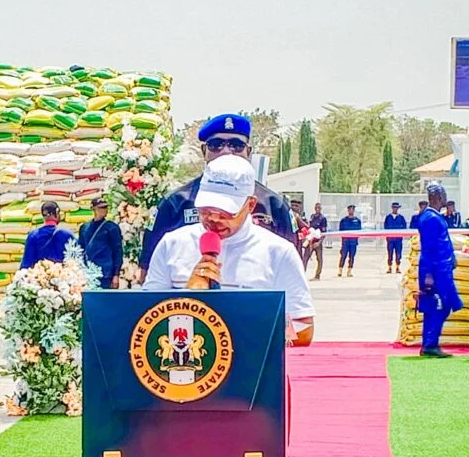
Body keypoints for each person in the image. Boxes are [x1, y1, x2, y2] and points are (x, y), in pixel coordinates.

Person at [143, 155, 316, 346]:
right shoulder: (172, 244)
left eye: (226, 212)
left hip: (252, 371)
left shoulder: (279, 252)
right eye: (206, 210)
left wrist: (238, 328)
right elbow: (144, 318)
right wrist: (187, 300)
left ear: (250, 205)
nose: (214, 219)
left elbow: (304, 329)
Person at [140, 114, 297, 273]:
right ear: (204, 150)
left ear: (248, 152)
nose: (226, 151)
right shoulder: (175, 203)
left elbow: (291, 270)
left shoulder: (273, 205)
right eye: (216, 144)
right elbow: (149, 270)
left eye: (236, 145)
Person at [416, 184, 463, 358]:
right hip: (436, 272)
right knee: (439, 305)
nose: (445, 198)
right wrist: (428, 274)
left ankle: (430, 342)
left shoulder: (434, 217)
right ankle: (430, 343)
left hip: (442, 269)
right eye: (443, 195)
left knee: (440, 305)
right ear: (437, 197)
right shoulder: (431, 219)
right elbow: (428, 248)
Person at [78, 197, 123, 289]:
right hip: (87, 272)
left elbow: (117, 251)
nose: (104, 210)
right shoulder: (84, 227)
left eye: (105, 207)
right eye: (101, 208)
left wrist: (116, 274)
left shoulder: (112, 228)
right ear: (93, 209)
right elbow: (80, 249)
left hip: (105, 273)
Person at [20, 201, 76, 269]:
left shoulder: (33, 235)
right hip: (63, 277)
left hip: (40, 277)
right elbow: (76, 261)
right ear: (57, 213)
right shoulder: (67, 234)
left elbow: (26, 264)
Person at [338, 205, 362, 278]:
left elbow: (359, 231)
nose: (351, 211)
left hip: (353, 242)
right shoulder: (343, 220)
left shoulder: (357, 220)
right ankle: (340, 270)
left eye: (352, 210)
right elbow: (340, 231)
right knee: (343, 255)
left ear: (354, 211)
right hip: (345, 241)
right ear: (348, 211)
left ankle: (349, 270)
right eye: (350, 210)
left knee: (352, 256)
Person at [384, 202, 407, 274]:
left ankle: (398, 267)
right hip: (390, 239)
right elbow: (386, 226)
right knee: (390, 253)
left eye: (396, 208)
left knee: (398, 253)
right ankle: (389, 267)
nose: (395, 209)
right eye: (394, 207)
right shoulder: (388, 217)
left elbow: (404, 226)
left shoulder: (401, 217)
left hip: (398, 239)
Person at [306, 202, 328, 280]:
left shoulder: (322, 219)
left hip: (318, 241)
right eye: (316, 207)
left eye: (319, 207)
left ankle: (317, 275)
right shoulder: (312, 217)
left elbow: (324, 232)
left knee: (319, 258)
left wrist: (319, 242)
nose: (317, 209)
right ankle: (303, 273)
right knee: (306, 257)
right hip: (311, 240)